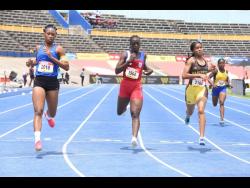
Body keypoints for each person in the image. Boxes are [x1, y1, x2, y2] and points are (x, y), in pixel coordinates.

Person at [26, 24, 69, 151]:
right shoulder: (38, 47)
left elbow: (66, 66)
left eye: (53, 34)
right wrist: (30, 63)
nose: (50, 36)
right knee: (37, 111)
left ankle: (48, 116)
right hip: (39, 81)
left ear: (55, 35)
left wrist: (51, 57)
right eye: (48, 33)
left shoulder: (59, 49)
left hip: (52, 83)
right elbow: (37, 61)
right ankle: (37, 140)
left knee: (53, 112)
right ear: (44, 33)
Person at [115, 35, 153, 147]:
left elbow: (145, 67)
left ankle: (134, 138)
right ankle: (125, 107)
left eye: (138, 43)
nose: (136, 45)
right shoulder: (125, 54)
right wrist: (128, 62)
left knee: (135, 114)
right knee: (119, 112)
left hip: (136, 87)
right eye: (133, 43)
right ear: (130, 44)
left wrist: (150, 70)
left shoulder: (143, 55)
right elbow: (117, 70)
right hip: (125, 86)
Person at [182, 41, 215, 146]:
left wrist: (213, 71)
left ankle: (201, 137)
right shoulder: (191, 61)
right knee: (191, 112)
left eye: (201, 47)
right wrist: (198, 75)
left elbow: (211, 71)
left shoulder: (206, 61)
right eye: (197, 48)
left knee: (201, 110)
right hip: (191, 90)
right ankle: (187, 115)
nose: (200, 49)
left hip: (202, 89)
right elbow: (184, 75)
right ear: (193, 50)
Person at [209, 58, 232, 126]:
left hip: (223, 88)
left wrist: (228, 84)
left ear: (225, 64)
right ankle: (221, 118)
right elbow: (208, 77)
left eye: (223, 63)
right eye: (220, 63)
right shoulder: (216, 71)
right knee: (214, 104)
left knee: (222, 102)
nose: (222, 64)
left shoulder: (226, 72)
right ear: (218, 64)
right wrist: (212, 84)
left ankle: (222, 119)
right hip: (215, 89)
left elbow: (227, 80)